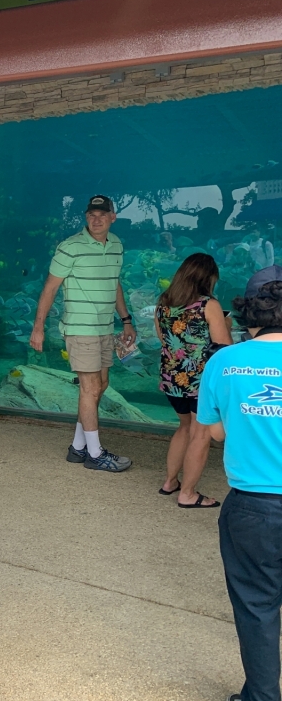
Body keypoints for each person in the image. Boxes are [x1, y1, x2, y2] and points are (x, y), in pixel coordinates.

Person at [197, 281, 282, 701]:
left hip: (254, 507)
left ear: (249, 316)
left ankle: (262, 697)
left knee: (258, 606)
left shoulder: (225, 361)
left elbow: (214, 433)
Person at [30, 195, 136, 472]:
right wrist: (38, 327)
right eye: (91, 214)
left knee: (100, 386)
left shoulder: (116, 245)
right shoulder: (69, 248)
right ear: (85, 217)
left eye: (102, 214)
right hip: (80, 328)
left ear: (113, 217)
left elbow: (115, 285)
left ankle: (78, 448)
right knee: (89, 388)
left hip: (105, 327)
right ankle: (95, 454)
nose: (96, 219)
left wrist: (126, 320)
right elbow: (50, 288)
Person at [155, 253, 232, 508]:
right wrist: (227, 323)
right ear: (208, 278)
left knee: (184, 427)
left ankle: (170, 481)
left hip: (172, 379)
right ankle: (187, 494)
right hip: (201, 381)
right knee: (201, 434)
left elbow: (163, 339)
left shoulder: (163, 303)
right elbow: (223, 347)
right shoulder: (208, 305)